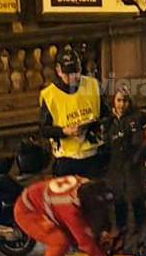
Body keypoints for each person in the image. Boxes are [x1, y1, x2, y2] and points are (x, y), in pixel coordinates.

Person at [14, 176, 117, 256]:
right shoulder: (70, 209)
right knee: (59, 242)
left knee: (75, 239)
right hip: (27, 212)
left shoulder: (86, 187)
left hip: (43, 203)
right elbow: (86, 243)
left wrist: (103, 232)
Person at [39, 47, 109, 178]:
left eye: (76, 72)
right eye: (68, 73)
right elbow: (44, 130)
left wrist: (95, 125)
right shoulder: (49, 95)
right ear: (58, 70)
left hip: (94, 156)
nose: (73, 77)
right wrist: (64, 131)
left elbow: (107, 115)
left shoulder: (93, 85)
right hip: (67, 160)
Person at [103, 85, 146, 252]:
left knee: (136, 199)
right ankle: (121, 230)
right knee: (118, 199)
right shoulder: (110, 121)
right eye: (119, 100)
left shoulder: (135, 118)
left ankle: (141, 231)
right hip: (116, 166)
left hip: (132, 164)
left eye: (125, 100)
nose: (122, 104)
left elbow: (137, 142)